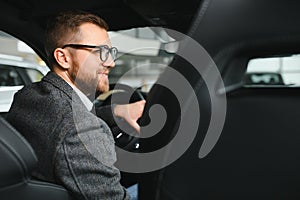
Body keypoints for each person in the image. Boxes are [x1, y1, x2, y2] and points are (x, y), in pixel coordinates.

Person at [6, 10, 144, 200]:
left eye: (111, 52)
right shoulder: (82, 131)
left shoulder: (29, 96)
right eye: (100, 52)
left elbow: (66, 121)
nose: (111, 62)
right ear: (63, 58)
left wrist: (115, 112)